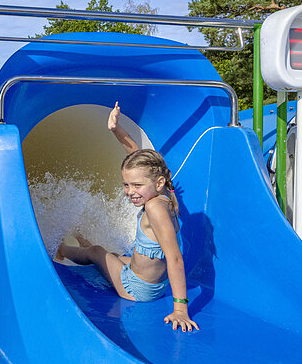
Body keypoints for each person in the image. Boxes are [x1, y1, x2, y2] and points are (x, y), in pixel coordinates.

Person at [57, 103, 197, 331]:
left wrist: (180, 308)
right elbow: (137, 155)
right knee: (114, 256)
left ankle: (62, 250)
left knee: (98, 253)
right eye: (126, 184)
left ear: (158, 183)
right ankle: (85, 244)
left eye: (137, 185)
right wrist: (116, 129)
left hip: (137, 289)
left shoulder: (155, 208)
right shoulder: (165, 192)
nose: (130, 191)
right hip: (148, 279)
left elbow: (175, 258)